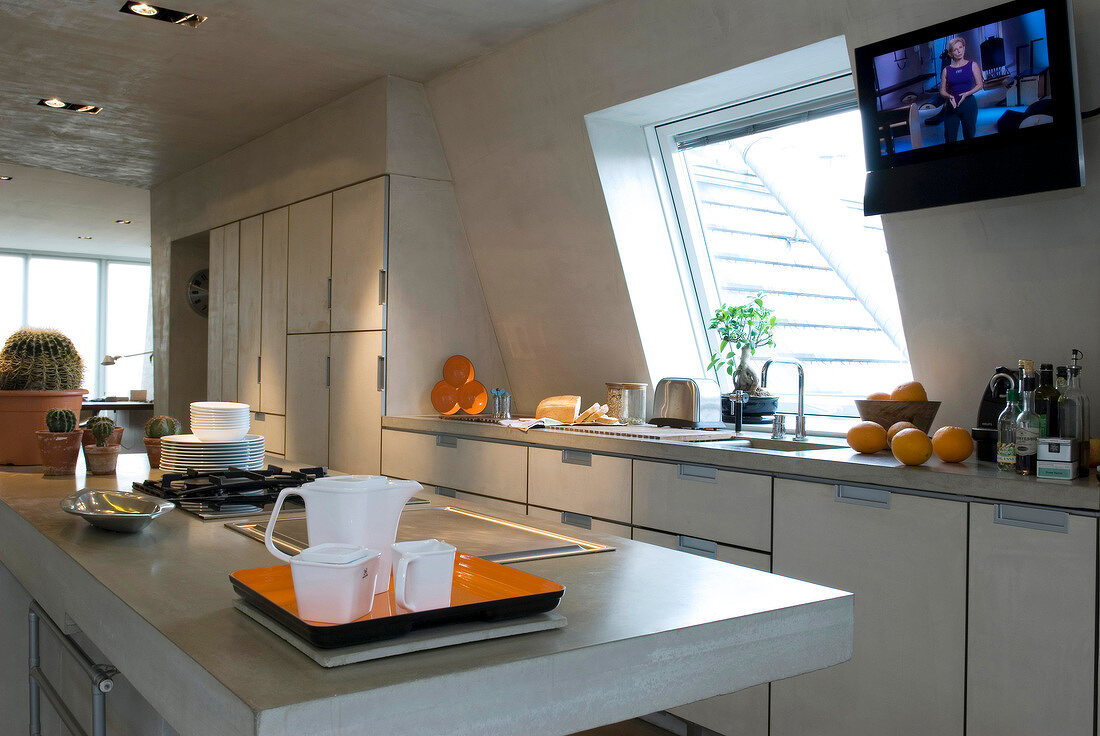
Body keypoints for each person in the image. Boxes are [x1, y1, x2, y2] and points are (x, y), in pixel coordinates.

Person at [939, 37, 984, 142]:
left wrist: (967, 93)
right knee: (949, 138)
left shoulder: (972, 65)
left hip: (968, 105)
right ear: (950, 53)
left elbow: (980, 85)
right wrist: (949, 96)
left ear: (964, 48)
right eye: (955, 49)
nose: (959, 51)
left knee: (969, 136)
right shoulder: (946, 70)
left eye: (960, 47)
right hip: (951, 106)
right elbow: (942, 91)